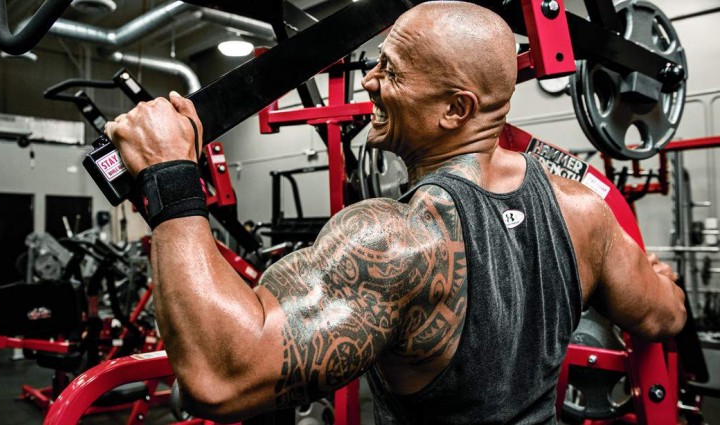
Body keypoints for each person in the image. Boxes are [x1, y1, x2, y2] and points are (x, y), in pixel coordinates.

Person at [105, 2, 687, 423]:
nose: (371, 82)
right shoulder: (584, 212)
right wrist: (657, 280)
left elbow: (220, 377)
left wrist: (169, 177)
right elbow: (664, 315)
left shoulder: (396, 238)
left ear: (455, 109)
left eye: (392, 70)